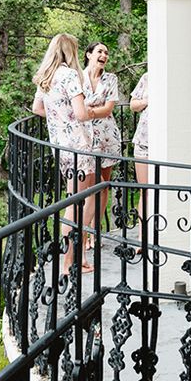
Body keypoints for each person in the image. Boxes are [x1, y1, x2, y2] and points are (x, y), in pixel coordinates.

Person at [32, 33, 108, 275]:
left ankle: (77, 257)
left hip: (61, 147)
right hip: (79, 146)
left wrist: (59, 117)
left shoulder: (46, 76)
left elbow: (37, 109)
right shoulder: (69, 75)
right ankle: (69, 263)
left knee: (75, 200)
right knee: (78, 203)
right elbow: (82, 114)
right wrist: (93, 111)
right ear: (70, 51)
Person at [82, 41, 121, 247]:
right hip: (86, 138)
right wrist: (91, 110)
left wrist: (89, 111)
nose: (104, 55)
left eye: (106, 52)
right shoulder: (78, 77)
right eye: (100, 51)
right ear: (89, 54)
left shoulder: (111, 79)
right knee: (89, 186)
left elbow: (108, 109)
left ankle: (96, 232)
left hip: (107, 137)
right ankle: (85, 234)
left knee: (103, 185)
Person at [130, 70, 150, 249]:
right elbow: (133, 104)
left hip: (165, 145)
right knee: (145, 191)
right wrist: (147, 101)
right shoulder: (147, 77)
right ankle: (142, 238)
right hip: (144, 141)